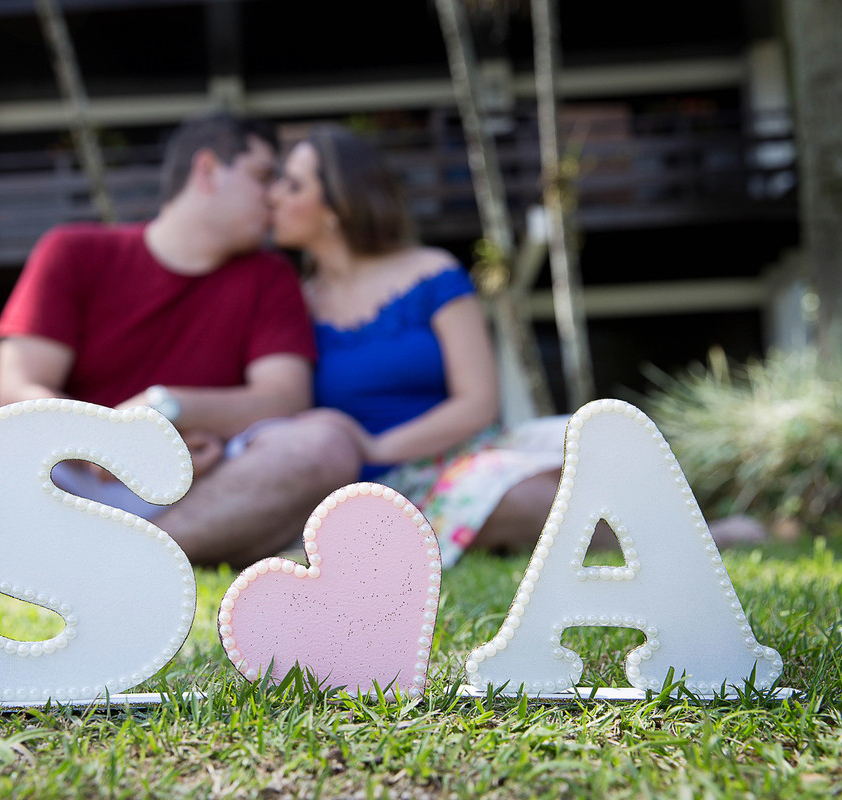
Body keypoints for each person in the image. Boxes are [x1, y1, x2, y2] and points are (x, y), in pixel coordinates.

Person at [268, 124, 765, 567]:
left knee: (590, 441)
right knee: (520, 497)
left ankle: (683, 533)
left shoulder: (431, 273)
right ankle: (673, 546)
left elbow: (478, 400)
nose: (274, 196)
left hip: (465, 452)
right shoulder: (292, 301)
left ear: (338, 203)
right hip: (378, 491)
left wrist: (378, 443)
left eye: (292, 184)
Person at [0, 113, 360, 568]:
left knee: (327, 445)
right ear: (208, 169)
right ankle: (117, 558)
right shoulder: (74, 251)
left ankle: (120, 562)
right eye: (263, 176)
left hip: (209, 481)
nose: (276, 196)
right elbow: (17, 388)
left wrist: (167, 409)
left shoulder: (270, 276)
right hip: (73, 477)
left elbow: (284, 398)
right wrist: (108, 445)